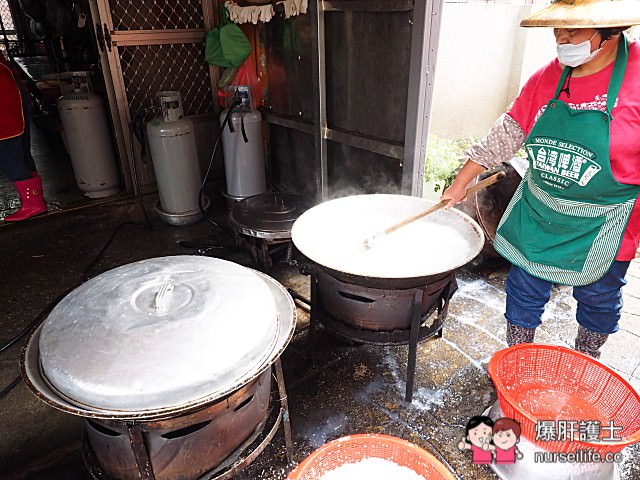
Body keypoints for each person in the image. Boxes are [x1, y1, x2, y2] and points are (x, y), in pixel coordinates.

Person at [441, 0, 640, 359]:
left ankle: (586, 359)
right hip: (541, 210)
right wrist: (460, 183)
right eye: (557, 29)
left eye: (573, 30)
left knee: (598, 296)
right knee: (523, 286)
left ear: (611, 31)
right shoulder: (551, 75)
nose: (562, 39)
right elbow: (509, 130)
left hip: (604, 222)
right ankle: (516, 357)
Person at [0, 51, 47, 221]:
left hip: (4, 104)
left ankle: (33, 204)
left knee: (8, 155)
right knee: (21, 154)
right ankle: (35, 200)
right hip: (12, 96)